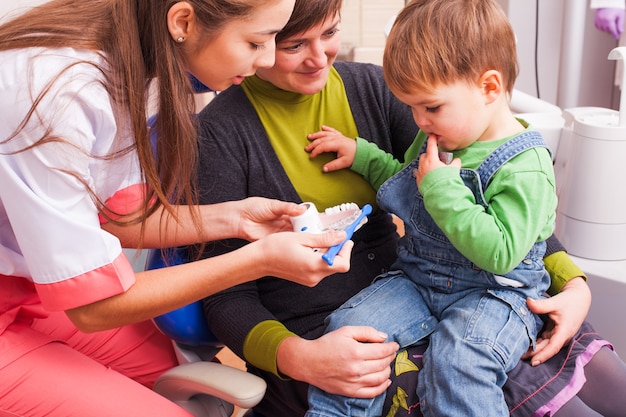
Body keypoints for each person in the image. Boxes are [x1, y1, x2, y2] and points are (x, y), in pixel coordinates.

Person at [193, 0, 626, 416]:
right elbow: (224, 294)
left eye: (329, 32)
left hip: (460, 280)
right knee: (476, 377)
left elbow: (504, 197)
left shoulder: (378, 89)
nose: (319, 57)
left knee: (598, 371)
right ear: (262, 41)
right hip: (328, 332)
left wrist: (571, 284)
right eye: (293, 45)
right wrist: (299, 358)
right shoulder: (218, 135)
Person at [0, 1, 358, 416]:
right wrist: (256, 261)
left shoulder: (147, 67)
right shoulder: (54, 92)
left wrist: (238, 218)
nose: (266, 60)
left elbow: (116, 219)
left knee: (187, 381)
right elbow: (93, 306)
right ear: (183, 21)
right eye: (256, 42)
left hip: (30, 286)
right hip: (51, 297)